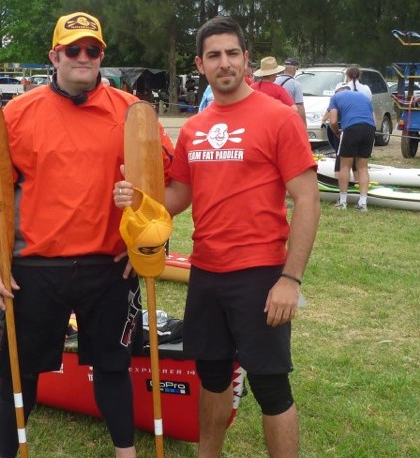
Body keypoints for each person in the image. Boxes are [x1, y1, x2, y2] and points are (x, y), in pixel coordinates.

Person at [114, 16, 319, 457]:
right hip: (205, 273)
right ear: (200, 65)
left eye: (231, 53)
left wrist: (291, 279)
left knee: (270, 385)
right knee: (211, 376)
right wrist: (139, 199)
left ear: (246, 59)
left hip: (260, 274)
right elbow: (179, 195)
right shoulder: (194, 127)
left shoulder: (280, 119)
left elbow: (307, 199)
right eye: (214, 56)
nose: (224, 63)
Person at [0, 11, 172, 458]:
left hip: (109, 267)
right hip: (34, 269)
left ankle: (126, 452)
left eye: (93, 49)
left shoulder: (132, 113)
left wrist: (146, 228)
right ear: (54, 55)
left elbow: (167, 181)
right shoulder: (18, 113)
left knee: (113, 368)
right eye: (73, 49)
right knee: (20, 375)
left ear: (101, 55)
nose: (84, 57)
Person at [328, 82, 376, 211]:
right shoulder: (364, 97)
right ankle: (363, 203)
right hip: (370, 129)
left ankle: (343, 201)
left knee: (345, 166)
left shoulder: (335, 98)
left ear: (337, 91)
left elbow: (332, 121)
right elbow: (374, 120)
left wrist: (337, 132)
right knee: (363, 167)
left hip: (352, 128)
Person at [276, 57, 306, 126]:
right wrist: (304, 125)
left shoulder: (274, 81)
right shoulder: (295, 84)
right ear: (294, 68)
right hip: (288, 120)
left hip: (275, 118)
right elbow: (299, 107)